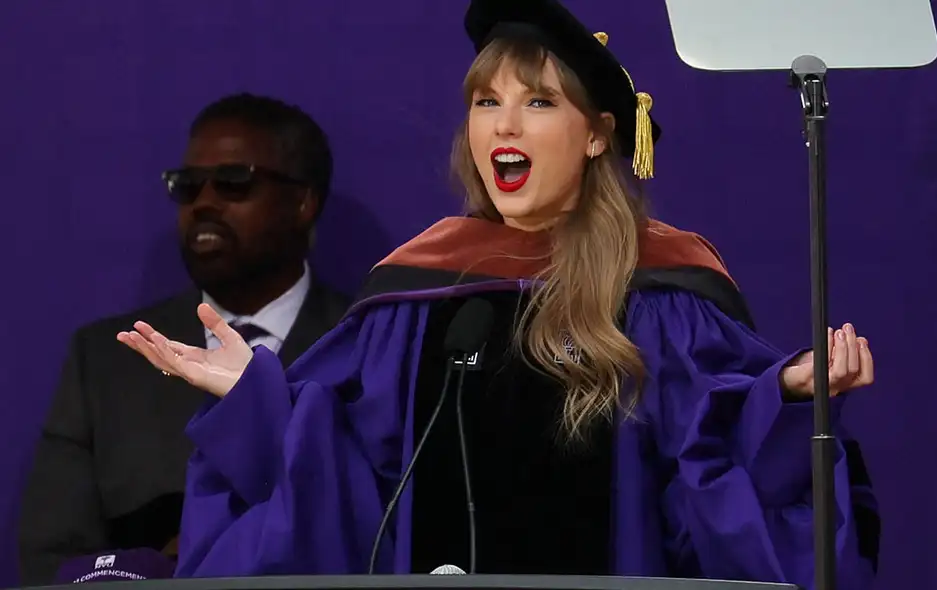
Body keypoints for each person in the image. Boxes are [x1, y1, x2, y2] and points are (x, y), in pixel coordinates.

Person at [120, 1, 880, 587]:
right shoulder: (420, 287)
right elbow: (349, 486)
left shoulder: (665, 287)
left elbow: (708, 484)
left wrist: (784, 397)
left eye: (539, 103)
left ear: (595, 134)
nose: (503, 124)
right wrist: (258, 396)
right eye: (487, 102)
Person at [19, 93, 350, 585]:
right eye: (188, 187)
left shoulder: (366, 343)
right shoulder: (105, 359)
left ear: (303, 202)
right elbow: (51, 561)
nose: (204, 204)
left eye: (234, 182)